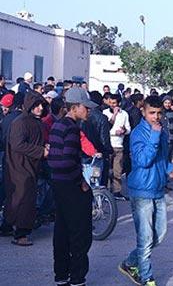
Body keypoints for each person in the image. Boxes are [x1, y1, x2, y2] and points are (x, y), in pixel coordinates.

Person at [118, 96, 173, 286]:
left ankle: (129, 263)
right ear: (143, 112)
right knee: (145, 239)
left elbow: (160, 158)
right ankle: (147, 278)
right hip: (141, 191)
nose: (156, 117)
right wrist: (153, 135)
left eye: (159, 113)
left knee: (158, 235)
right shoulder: (138, 133)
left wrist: (169, 169)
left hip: (158, 189)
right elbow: (143, 161)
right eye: (152, 113)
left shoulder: (160, 131)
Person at [48, 87, 96, 286]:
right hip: (70, 186)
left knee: (62, 231)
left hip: (58, 184)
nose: (88, 111)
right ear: (75, 107)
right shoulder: (71, 128)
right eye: (86, 108)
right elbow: (67, 160)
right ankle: (77, 278)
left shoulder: (57, 126)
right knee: (80, 234)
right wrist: (81, 181)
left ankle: (61, 275)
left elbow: (53, 159)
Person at [0, 91, 48, 246]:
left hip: (30, 165)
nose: (40, 108)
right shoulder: (20, 122)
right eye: (37, 105)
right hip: (18, 167)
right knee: (23, 199)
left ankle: (7, 226)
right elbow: (18, 144)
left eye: (42, 105)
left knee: (17, 199)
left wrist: (44, 147)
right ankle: (21, 233)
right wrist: (41, 151)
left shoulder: (37, 122)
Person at [103, 94, 131, 200]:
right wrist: (114, 115)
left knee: (117, 170)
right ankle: (106, 192)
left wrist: (124, 131)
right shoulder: (105, 113)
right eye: (110, 103)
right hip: (108, 144)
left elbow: (128, 129)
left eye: (114, 103)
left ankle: (117, 191)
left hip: (119, 144)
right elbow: (106, 128)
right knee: (107, 170)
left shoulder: (124, 114)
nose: (112, 105)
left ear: (119, 103)